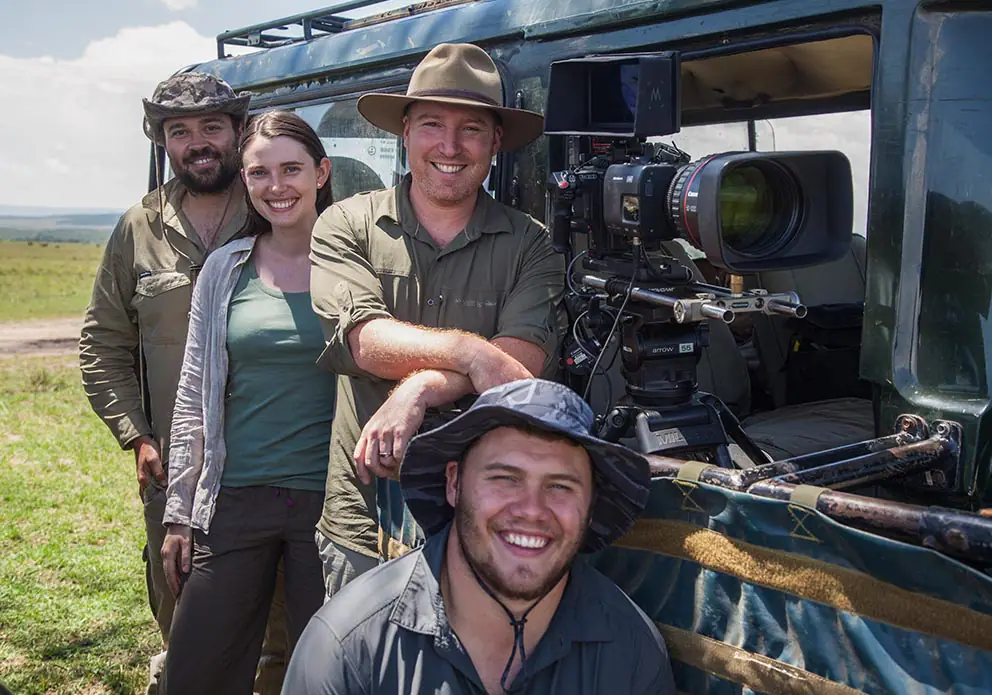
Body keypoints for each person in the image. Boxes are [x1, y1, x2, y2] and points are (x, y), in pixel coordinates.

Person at [309, 42, 566, 597]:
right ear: (405, 131)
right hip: (366, 514)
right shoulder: (346, 224)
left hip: (487, 518)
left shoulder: (532, 244)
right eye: (431, 124)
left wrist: (420, 385)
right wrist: (472, 353)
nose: (449, 146)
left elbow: (517, 364)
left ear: (496, 141)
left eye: (471, 129)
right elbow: (367, 341)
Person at [78, 72, 286, 694]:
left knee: (282, 622)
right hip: (175, 471)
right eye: (179, 131)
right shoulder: (136, 228)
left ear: (237, 131)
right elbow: (102, 345)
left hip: (274, 462)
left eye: (211, 127)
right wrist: (137, 436)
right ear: (162, 140)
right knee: (186, 616)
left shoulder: (273, 211)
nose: (197, 142)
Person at [283, 378, 676, 694]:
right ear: (454, 484)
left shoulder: (630, 651)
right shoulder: (350, 650)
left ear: (590, 507)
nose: (532, 510)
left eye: (561, 486)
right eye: (505, 478)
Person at [159, 110, 335, 695]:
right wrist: (181, 510)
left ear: (321, 172)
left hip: (333, 505)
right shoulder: (223, 269)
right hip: (234, 497)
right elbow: (192, 393)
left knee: (326, 674)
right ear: (245, 180)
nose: (277, 186)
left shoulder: (360, 266)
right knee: (195, 673)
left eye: (292, 169)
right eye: (260, 173)